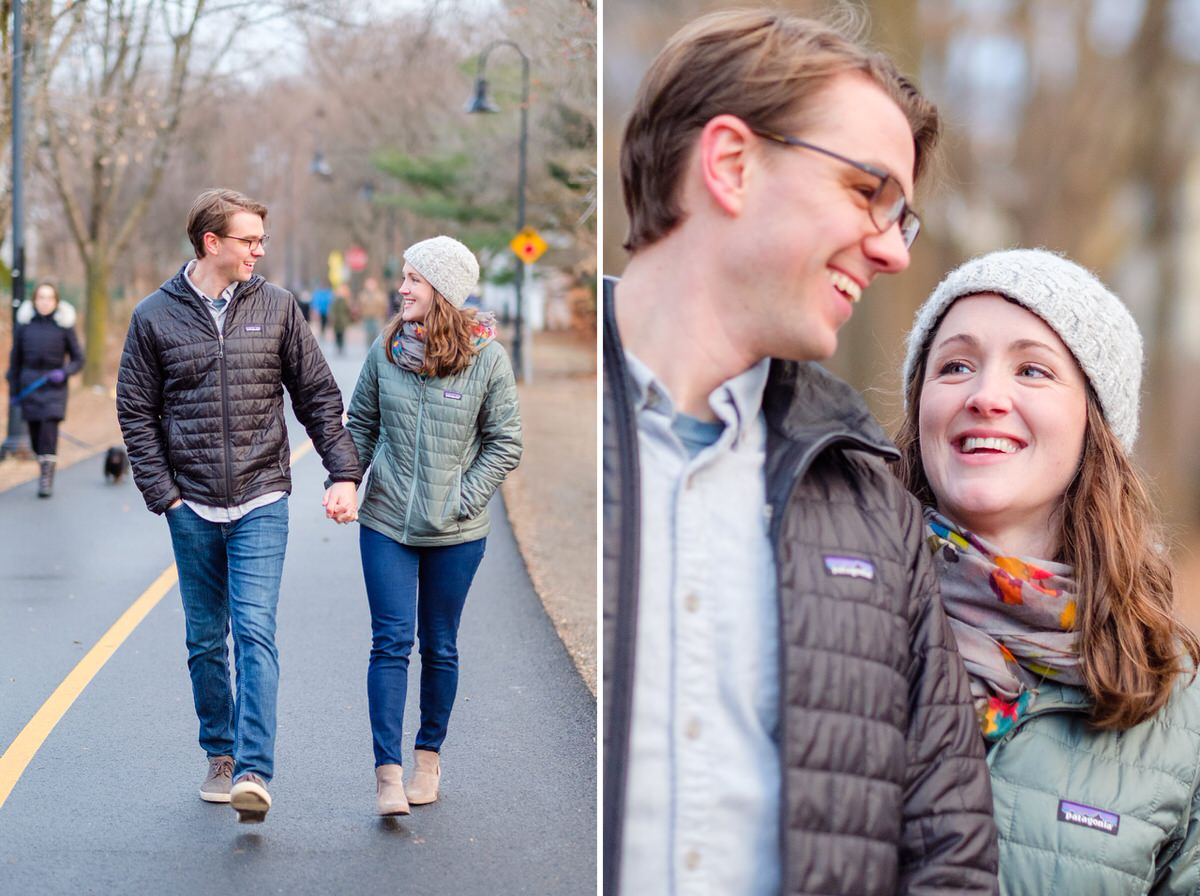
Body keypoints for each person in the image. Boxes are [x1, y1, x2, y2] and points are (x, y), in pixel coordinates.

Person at [602, 9, 998, 895]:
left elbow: (949, 859)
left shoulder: (875, 504)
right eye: (867, 193)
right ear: (732, 164)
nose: (895, 251)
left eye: (905, 218)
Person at [896, 248, 1200, 894]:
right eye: (955, 365)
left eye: (1032, 369)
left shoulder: (1175, 709)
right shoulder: (839, 618)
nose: (986, 396)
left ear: (1096, 424)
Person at [116, 188, 362, 823]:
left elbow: (317, 398)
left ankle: (253, 770)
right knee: (205, 638)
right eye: (249, 239)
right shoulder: (153, 317)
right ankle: (220, 754)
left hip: (261, 496)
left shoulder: (277, 308)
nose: (260, 250)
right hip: (190, 502)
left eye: (261, 239)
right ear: (211, 244)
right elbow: (136, 413)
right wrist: (164, 495)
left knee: (254, 629)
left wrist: (344, 473)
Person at [335, 235, 521, 816]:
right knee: (390, 642)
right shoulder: (385, 348)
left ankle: (427, 759)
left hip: (457, 533)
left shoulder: (487, 358)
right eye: (404, 277)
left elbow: (504, 443)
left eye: (414, 279)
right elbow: (360, 423)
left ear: (440, 290)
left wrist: (463, 499)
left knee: (439, 646)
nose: (402, 287)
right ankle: (387, 775)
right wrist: (346, 481)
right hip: (386, 520)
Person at [6, 281, 84, 497]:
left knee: (48, 432)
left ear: (56, 302)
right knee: (35, 437)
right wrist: (14, 393)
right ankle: (42, 464)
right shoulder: (24, 327)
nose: (44, 302)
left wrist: (64, 372)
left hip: (54, 388)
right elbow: (15, 361)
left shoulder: (64, 327)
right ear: (35, 300)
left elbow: (78, 359)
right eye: (41, 297)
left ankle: (46, 479)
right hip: (29, 387)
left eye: (49, 298)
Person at [356, 276, 389, 347]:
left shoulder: (380, 294)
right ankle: (369, 349)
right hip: (366, 318)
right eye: (368, 284)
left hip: (377, 317)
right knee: (368, 335)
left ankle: (375, 349)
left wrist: (382, 316)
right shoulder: (363, 295)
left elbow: (384, 305)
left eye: (372, 284)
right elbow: (360, 306)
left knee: (376, 334)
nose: (370, 286)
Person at [330, 283, 353, 355]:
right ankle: (338, 346)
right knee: (337, 334)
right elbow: (332, 309)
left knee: (342, 334)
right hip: (337, 320)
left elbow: (348, 310)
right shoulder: (335, 300)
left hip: (343, 320)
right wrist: (332, 317)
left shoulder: (346, 300)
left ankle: (341, 347)